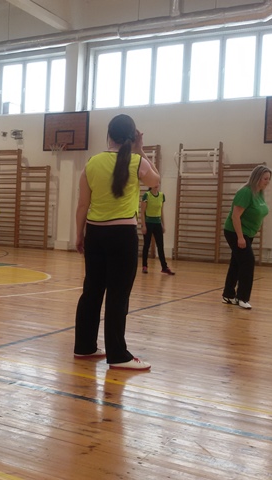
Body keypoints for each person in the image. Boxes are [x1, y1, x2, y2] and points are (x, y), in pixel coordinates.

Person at [74, 114, 160, 371]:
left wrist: (79, 235)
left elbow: (82, 205)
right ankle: (118, 355)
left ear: (108, 135)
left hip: (95, 233)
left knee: (92, 291)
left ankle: (84, 346)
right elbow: (155, 181)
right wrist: (140, 149)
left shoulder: (92, 162)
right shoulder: (136, 162)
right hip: (122, 236)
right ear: (132, 136)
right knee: (118, 294)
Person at [222, 165, 272, 310]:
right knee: (248, 262)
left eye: (269, 179)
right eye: (265, 179)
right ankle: (242, 297)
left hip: (248, 233)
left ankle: (228, 294)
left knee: (236, 263)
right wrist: (240, 237)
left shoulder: (259, 193)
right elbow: (235, 216)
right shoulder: (245, 192)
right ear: (257, 178)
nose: (267, 181)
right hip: (235, 232)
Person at [140, 184, 174, 275]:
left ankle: (164, 267)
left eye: (158, 183)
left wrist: (163, 224)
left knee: (160, 246)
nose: (156, 185)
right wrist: (143, 225)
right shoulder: (146, 195)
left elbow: (161, 211)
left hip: (157, 223)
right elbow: (142, 212)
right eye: (154, 183)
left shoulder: (162, 195)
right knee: (146, 245)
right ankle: (144, 266)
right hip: (148, 223)